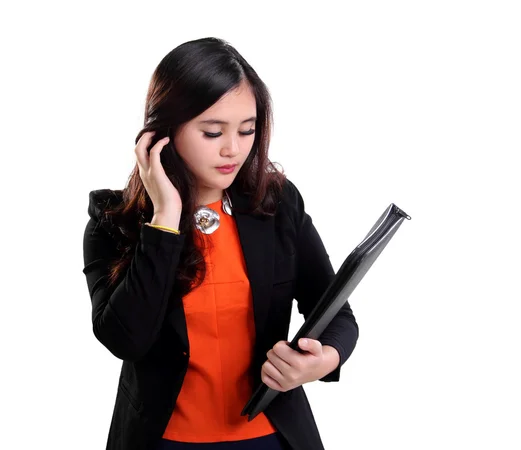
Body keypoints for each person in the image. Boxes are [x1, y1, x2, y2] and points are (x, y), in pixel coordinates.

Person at [82, 37, 359, 450]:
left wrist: (323, 360)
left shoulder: (277, 205)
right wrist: (165, 218)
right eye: (213, 132)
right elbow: (126, 340)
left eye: (247, 130)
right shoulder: (113, 221)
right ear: (163, 132)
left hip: (270, 434)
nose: (234, 149)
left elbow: (337, 311)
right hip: (163, 440)